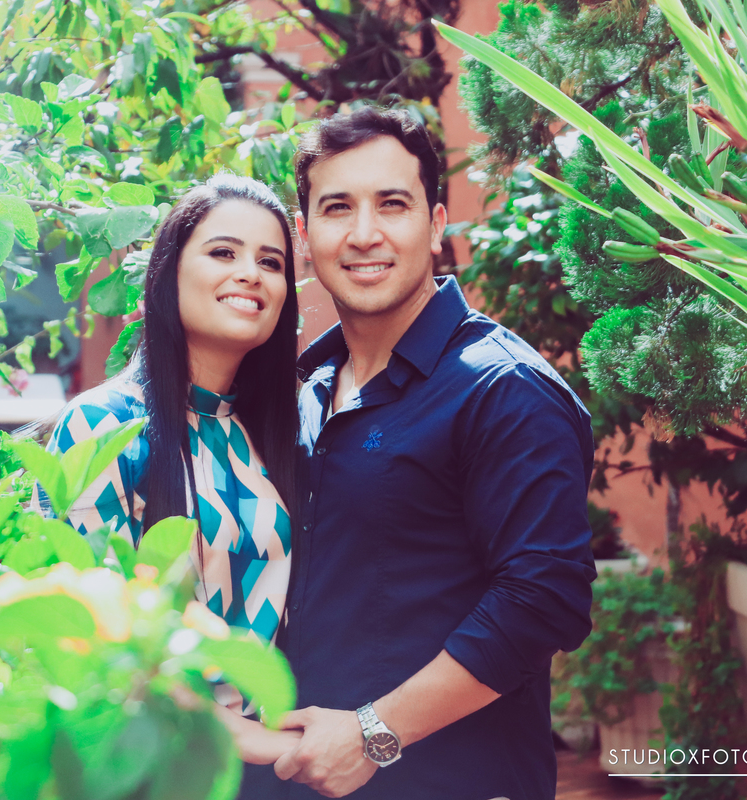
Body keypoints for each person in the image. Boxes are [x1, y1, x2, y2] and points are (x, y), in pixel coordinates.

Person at [239, 108, 597, 799]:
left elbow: (543, 600)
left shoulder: (501, 388)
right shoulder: (308, 389)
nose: (364, 233)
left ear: (435, 226)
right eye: (337, 208)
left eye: (392, 204)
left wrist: (374, 734)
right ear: (305, 237)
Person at [37, 174, 303, 763]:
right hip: (146, 764)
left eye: (271, 262)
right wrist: (254, 743)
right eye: (223, 252)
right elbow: (97, 630)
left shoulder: (275, 435)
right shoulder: (103, 425)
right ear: (168, 273)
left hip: (263, 770)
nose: (251, 274)